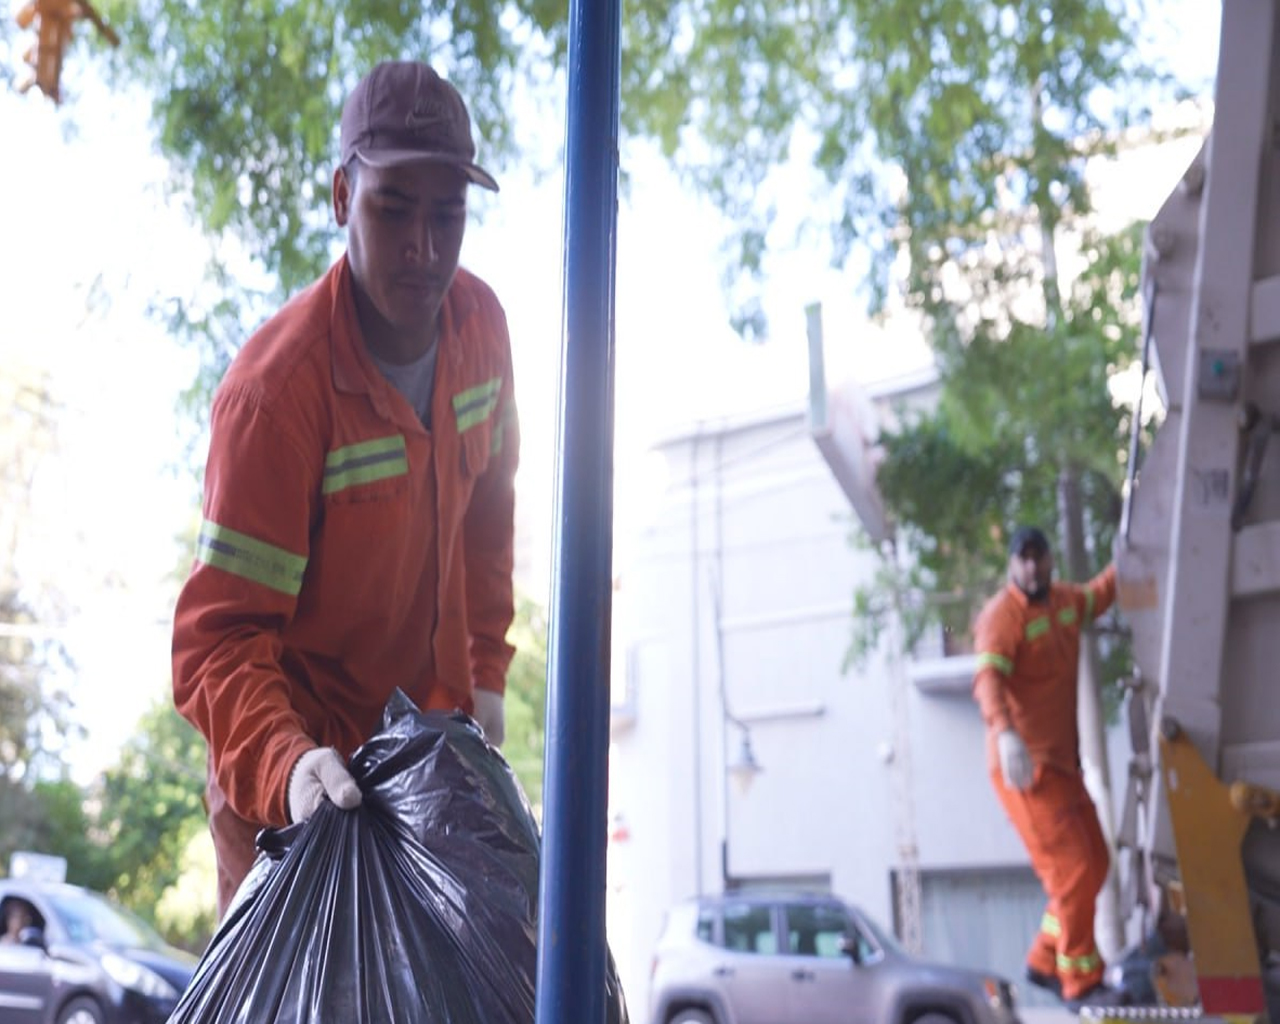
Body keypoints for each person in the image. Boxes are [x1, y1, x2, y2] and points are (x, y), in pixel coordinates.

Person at [172, 60, 519, 917]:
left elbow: (490, 510)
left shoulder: (483, 333)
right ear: (340, 198)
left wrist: (487, 669)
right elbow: (217, 644)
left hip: (424, 783)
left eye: (449, 214)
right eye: (393, 207)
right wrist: (289, 768)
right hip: (294, 806)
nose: (424, 248)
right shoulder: (277, 399)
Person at [971, 525, 1124, 1010]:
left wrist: (1129, 554)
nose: (1031, 566)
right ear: (1012, 564)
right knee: (1074, 873)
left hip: (1062, 766)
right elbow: (988, 678)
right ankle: (1081, 981)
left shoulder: (1064, 603)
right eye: (1023, 559)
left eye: (1038, 557)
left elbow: (1100, 594)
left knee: (1096, 862)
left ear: (1050, 560)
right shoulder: (1002, 616)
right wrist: (1004, 730)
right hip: (1025, 770)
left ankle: (1043, 959)